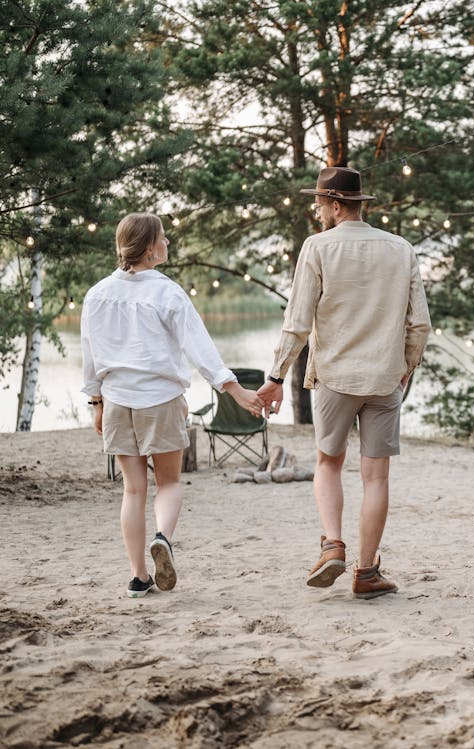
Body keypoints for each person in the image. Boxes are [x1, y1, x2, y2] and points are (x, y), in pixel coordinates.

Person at [258, 167, 431, 599]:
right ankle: (367, 572)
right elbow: (421, 324)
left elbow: (296, 322)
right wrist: (405, 364)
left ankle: (332, 543)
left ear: (336, 205)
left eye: (319, 203)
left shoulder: (317, 247)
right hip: (385, 378)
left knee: (328, 463)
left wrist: (277, 376)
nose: (317, 210)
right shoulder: (400, 248)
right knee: (376, 477)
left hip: (335, 377)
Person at [81, 212, 264, 598]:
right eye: (163, 238)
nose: (168, 243)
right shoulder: (166, 292)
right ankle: (163, 537)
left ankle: (138, 577)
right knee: (169, 482)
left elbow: (90, 356)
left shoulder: (96, 294)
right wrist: (236, 391)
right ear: (148, 248)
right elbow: (201, 351)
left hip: (115, 401)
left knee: (133, 490)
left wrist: (96, 401)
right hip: (159, 400)